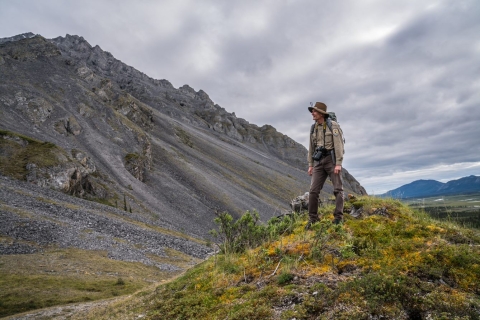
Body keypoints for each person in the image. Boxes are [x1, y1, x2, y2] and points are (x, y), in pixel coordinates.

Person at [306, 102, 344, 227]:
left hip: (331, 160)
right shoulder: (313, 128)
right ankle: (313, 219)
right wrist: (311, 164)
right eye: (312, 111)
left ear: (321, 113)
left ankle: (338, 217)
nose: (312, 113)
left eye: (314, 111)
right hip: (318, 161)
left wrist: (338, 163)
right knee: (313, 191)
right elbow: (311, 147)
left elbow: (339, 145)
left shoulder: (332, 126)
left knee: (338, 189)